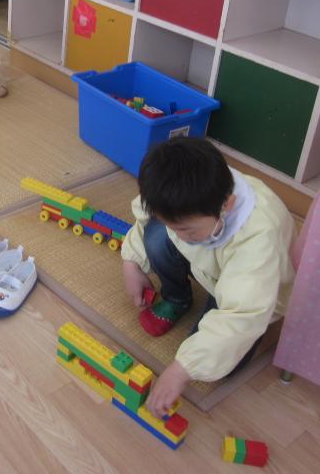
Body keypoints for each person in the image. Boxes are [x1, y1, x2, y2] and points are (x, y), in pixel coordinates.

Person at [121, 137, 297, 418]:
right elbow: (147, 218)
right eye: (174, 226)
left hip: (251, 292)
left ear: (227, 205)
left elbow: (241, 313)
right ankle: (177, 298)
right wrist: (131, 262)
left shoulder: (259, 237)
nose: (179, 235)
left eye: (187, 230)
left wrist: (182, 369)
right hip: (211, 265)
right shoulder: (192, 197)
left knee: (217, 364)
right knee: (156, 234)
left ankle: (225, 323)